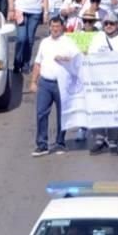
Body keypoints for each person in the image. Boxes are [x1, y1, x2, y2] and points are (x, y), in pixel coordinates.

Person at [29, 17, 79, 156]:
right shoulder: (44, 42)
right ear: (49, 27)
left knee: (62, 114)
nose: (55, 29)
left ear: (62, 27)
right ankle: (42, 144)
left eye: (57, 26)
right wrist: (33, 81)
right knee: (41, 113)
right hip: (45, 82)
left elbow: (77, 60)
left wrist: (64, 59)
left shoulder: (68, 42)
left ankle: (60, 142)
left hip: (62, 84)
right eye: (52, 26)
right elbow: (38, 62)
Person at [88, 13, 118, 155]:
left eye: (112, 23)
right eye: (106, 23)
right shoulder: (97, 39)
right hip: (100, 82)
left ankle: (113, 141)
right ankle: (99, 139)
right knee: (99, 110)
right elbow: (90, 57)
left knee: (115, 112)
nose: (108, 26)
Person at [8, 0, 49, 73]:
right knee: (21, 38)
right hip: (21, 10)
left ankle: (26, 63)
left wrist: (45, 12)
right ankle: (17, 62)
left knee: (30, 40)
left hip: (35, 12)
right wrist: (11, 8)